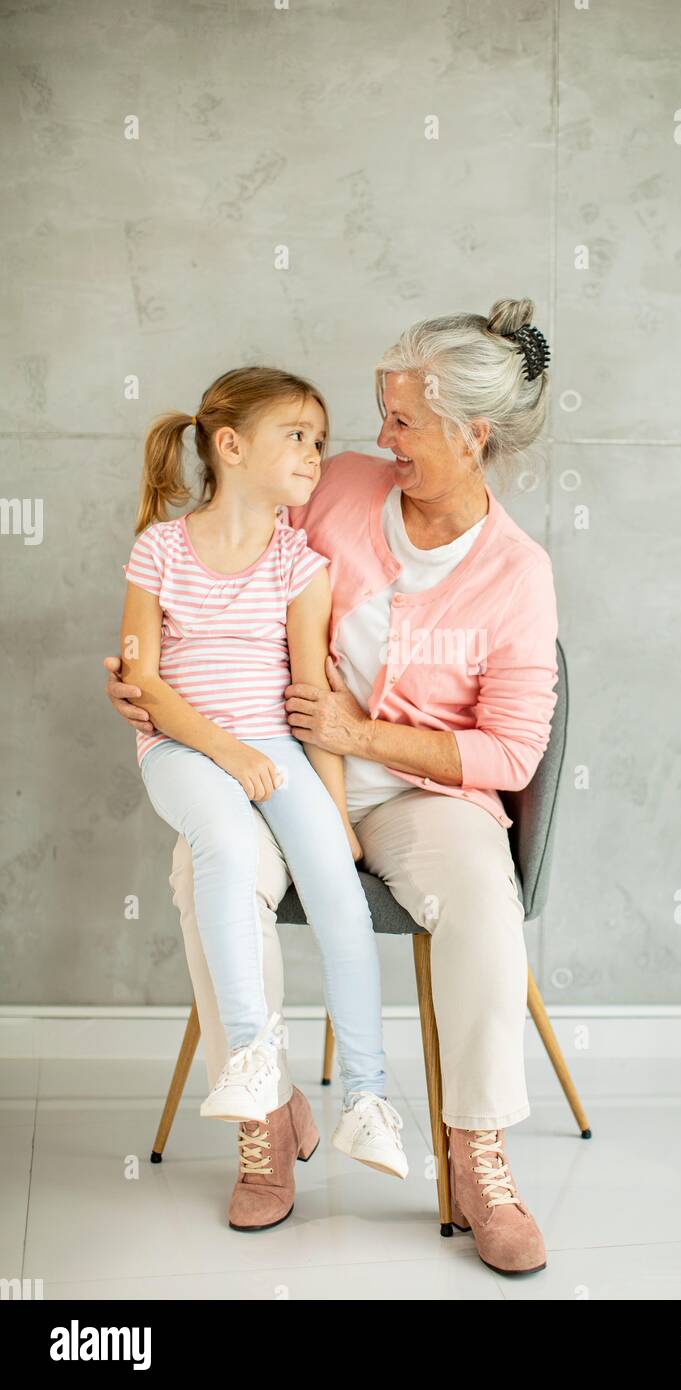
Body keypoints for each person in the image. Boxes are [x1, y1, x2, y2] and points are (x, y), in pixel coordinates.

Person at [106, 298, 558, 1274]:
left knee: (482, 887)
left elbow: (510, 753)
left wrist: (359, 733)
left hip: (413, 794)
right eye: (379, 412)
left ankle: (475, 1151)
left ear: (470, 435)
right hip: (280, 769)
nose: (376, 437)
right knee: (202, 867)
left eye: (401, 421)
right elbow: (224, 570)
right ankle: (265, 1115)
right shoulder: (338, 487)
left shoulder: (516, 572)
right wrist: (147, 670)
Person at [117, 365, 407, 1191]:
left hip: (275, 749)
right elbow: (144, 682)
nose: (315, 453)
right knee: (223, 846)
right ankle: (251, 1057)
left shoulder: (300, 563)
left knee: (338, 892)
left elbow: (309, 693)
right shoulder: (159, 551)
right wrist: (227, 751)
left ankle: (366, 1096)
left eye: (320, 439)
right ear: (230, 446)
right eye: (297, 436)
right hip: (180, 750)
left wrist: (335, 808)